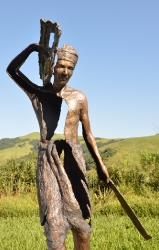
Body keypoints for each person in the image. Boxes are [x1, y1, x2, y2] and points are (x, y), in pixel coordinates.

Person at [6, 43, 110, 250]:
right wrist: (31, 49)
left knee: (81, 224)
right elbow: (12, 70)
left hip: (73, 158)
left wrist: (100, 165)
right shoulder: (38, 93)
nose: (65, 72)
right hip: (48, 160)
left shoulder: (79, 97)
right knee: (54, 227)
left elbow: (87, 133)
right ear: (52, 67)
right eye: (61, 66)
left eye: (70, 68)